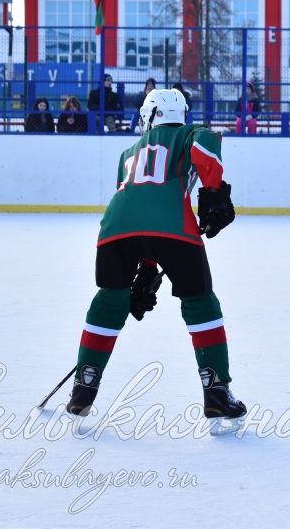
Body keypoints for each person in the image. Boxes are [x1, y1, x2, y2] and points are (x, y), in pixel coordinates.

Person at [65, 88, 247, 433]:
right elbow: (207, 144)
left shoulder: (127, 152)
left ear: (149, 116)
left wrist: (146, 268)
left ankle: (84, 386)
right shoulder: (190, 132)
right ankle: (216, 390)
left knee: (109, 300)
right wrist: (213, 193)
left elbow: (138, 204)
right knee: (200, 302)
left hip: (115, 231)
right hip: (174, 228)